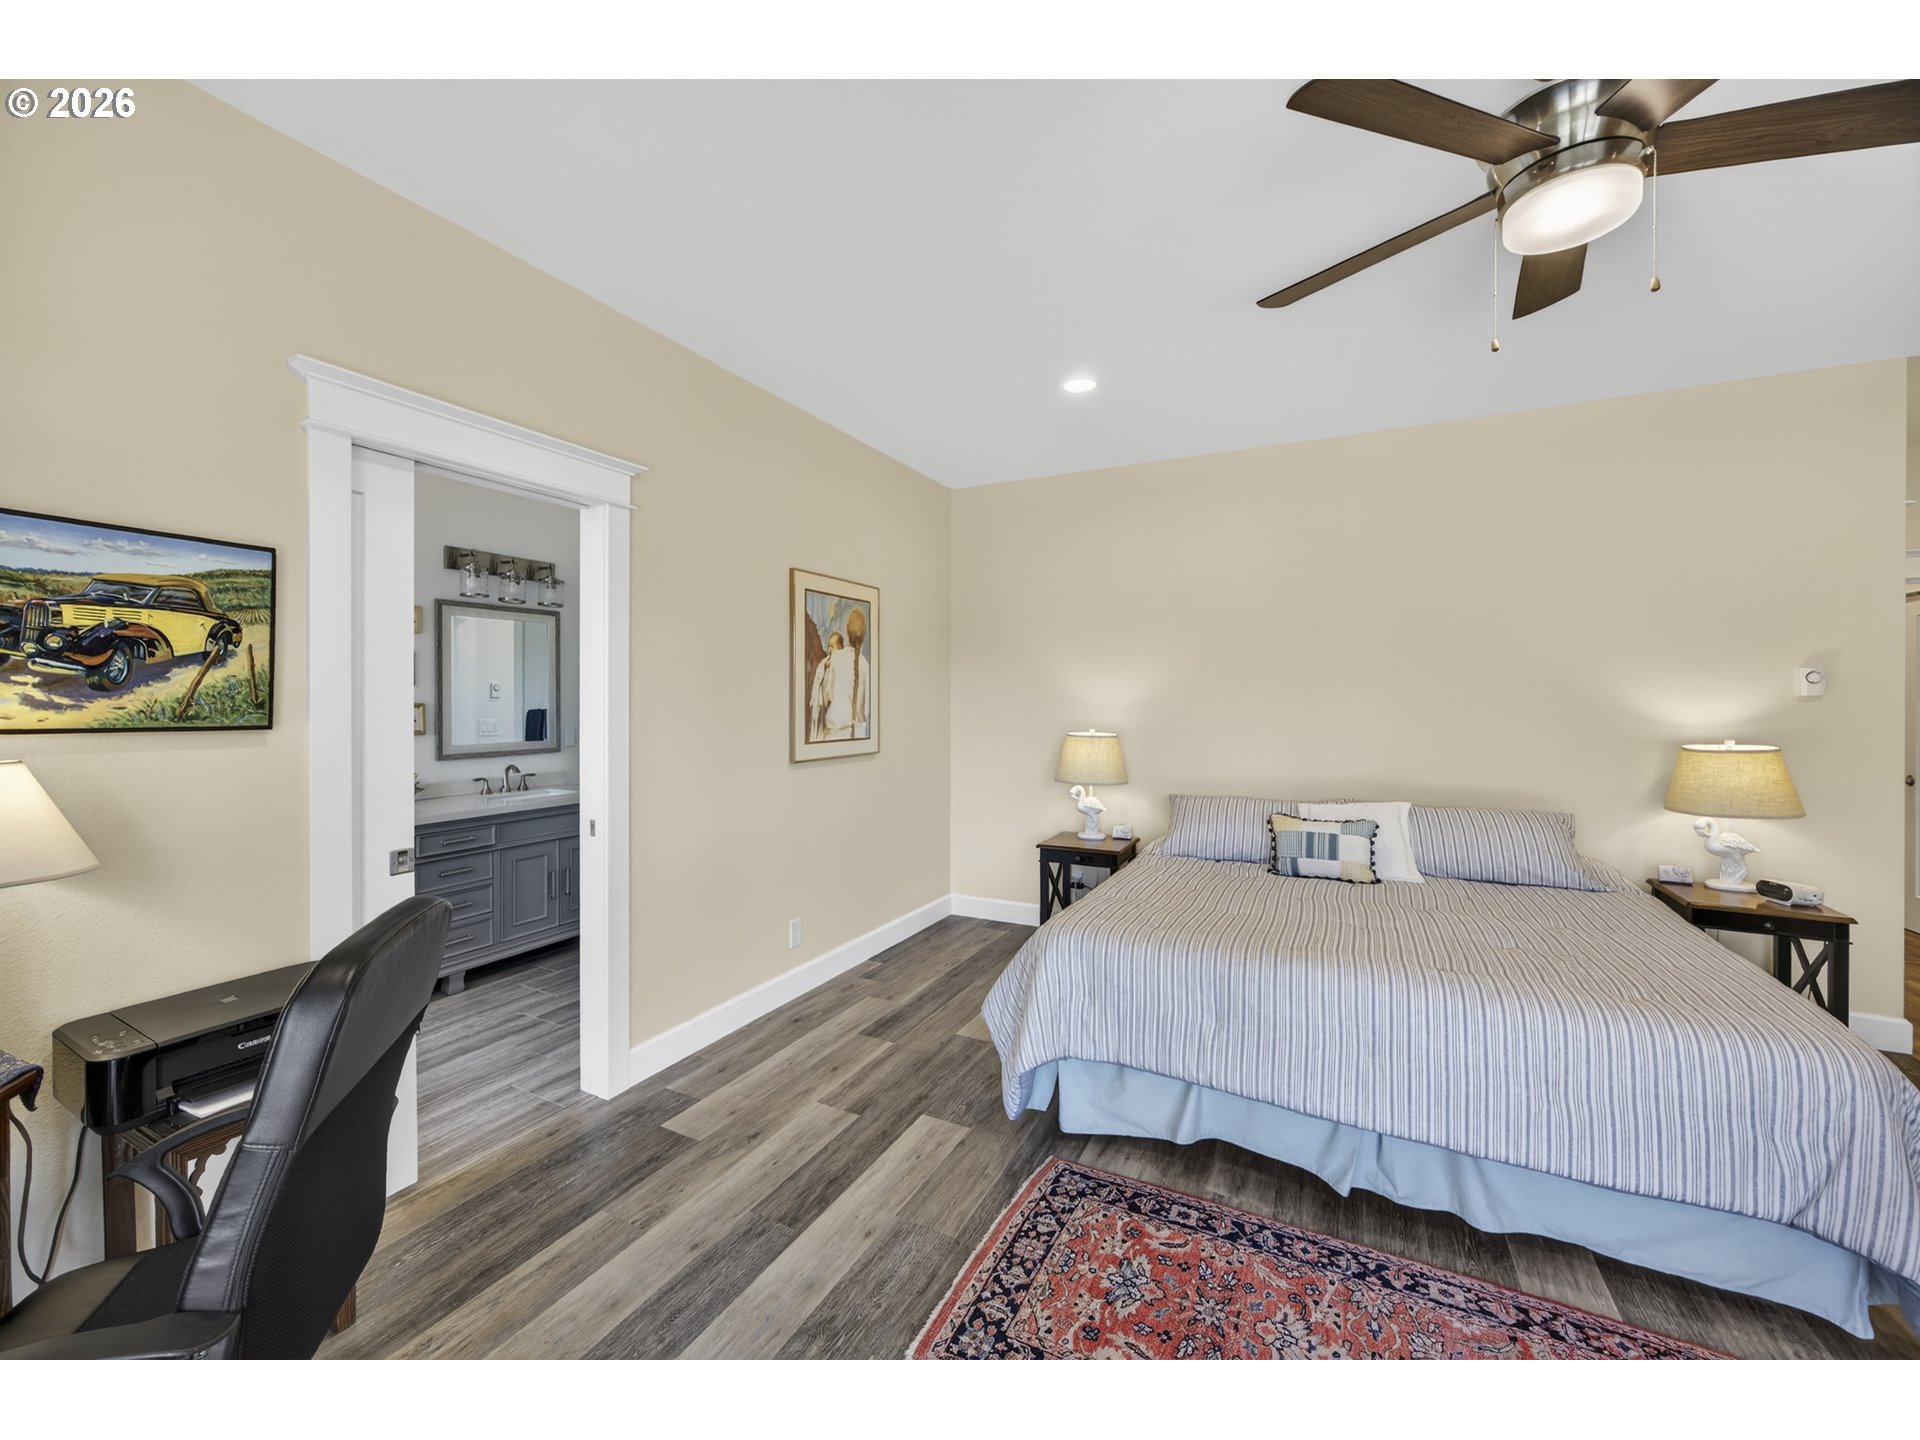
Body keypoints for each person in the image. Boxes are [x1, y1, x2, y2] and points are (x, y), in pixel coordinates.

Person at [808, 607, 870, 741]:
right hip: (860, 738)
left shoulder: (835, 659)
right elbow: (866, 711)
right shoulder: (865, 664)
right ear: (864, 633)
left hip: (834, 735)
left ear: (847, 630)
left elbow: (826, 696)